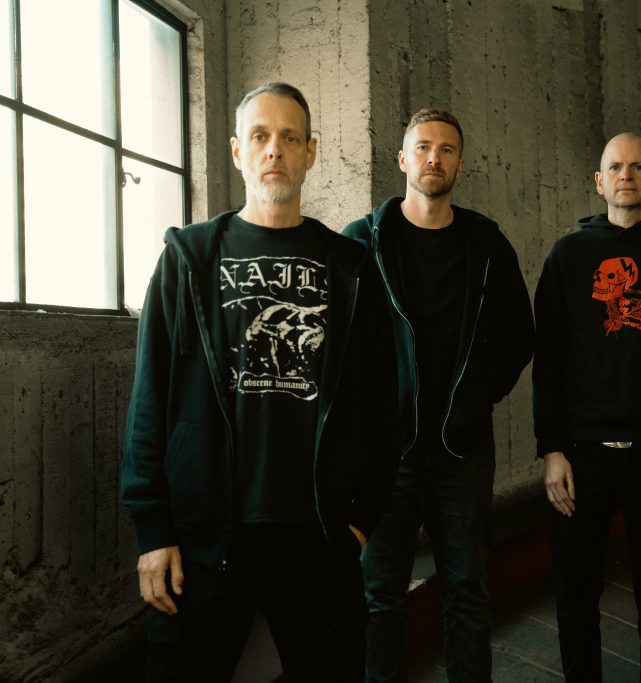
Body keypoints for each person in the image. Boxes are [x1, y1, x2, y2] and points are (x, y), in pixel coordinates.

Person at [120, 82, 399, 681]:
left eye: (290, 137)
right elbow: (150, 399)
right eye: (260, 136)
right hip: (204, 537)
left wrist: (362, 519)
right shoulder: (188, 260)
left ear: (310, 153)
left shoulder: (350, 269)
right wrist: (153, 530)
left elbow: (383, 403)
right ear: (237, 151)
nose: (275, 149)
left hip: (318, 536)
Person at [343, 108, 534, 682]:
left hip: (462, 451)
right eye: (423, 147)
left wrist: (478, 397)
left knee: (467, 591)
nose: (434, 157)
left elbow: (519, 335)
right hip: (387, 453)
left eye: (446, 149)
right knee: (381, 596)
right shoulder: (363, 242)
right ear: (402, 159)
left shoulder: (486, 243)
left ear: (460, 165)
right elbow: (341, 347)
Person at [533, 132, 641, 682]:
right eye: (616, 167)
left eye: (638, 166)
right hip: (582, 454)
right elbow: (548, 358)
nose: (627, 175)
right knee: (575, 594)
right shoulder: (568, 254)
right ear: (599, 181)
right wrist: (551, 449)